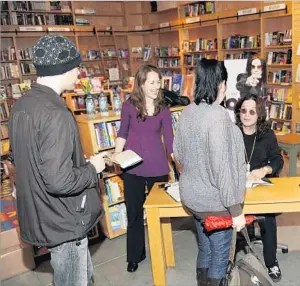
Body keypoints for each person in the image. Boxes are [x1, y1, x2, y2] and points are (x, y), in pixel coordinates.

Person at [8, 35, 106, 286]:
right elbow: (59, 181)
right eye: (77, 67)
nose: (79, 73)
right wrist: (93, 168)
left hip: (44, 214)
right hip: (63, 221)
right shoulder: (55, 113)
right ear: (65, 69)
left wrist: (71, 160)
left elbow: (21, 157)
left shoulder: (22, 105)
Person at [173, 58, 247, 286]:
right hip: (215, 203)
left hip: (192, 198)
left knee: (205, 248)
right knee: (220, 256)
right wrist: (235, 211)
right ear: (222, 85)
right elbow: (222, 169)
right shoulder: (218, 116)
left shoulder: (187, 111)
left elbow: (179, 156)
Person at [111, 65, 174, 273]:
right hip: (133, 167)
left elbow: (170, 137)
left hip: (158, 167)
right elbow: (122, 132)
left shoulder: (163, 107)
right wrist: (116, 155)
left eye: (159, 82)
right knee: (135, 213)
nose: (157, 86)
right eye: (152, 82)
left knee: (160, 213)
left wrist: (175, 158)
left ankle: (164, 250)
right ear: (142, 83)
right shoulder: (129, 106)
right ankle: (135, 256)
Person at [234, 94, 284, 282]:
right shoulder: (232, 132)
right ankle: (229, 260)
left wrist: (265, 169)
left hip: (260, 185)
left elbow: (278, 160)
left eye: (252, 111)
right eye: (243, 110)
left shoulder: (267, 135)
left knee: (268, 219)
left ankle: (271, 262)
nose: (246, 115)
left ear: (259, 114)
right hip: (237, 186)